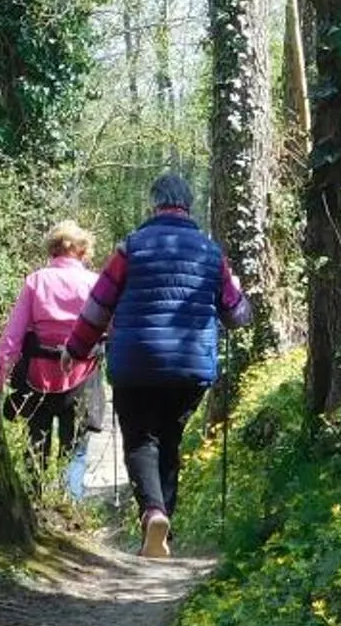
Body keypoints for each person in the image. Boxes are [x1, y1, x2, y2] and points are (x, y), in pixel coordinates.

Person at [66, 171, 253, 559]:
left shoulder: (130, 248)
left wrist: (77, 349)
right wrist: (234, 288)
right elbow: (237, 315)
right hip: (190, 365)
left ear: (155, 203)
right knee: (170, 438)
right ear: (188, 205)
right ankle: (163, 520)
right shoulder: (210, 251)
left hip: (135, 362)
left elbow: (98, 306)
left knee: (140, 439)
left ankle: (153, 514)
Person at [0, 221, 102, 466]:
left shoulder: (35, 281)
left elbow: (13, 334)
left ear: (52, 249)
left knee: (36, 445)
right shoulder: (94, 283)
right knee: (75, 450)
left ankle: (35, 498)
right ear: (83, 250)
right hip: (82, 374)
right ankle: (70, 499)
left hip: (38, 376)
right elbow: (109, 327)